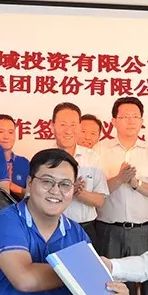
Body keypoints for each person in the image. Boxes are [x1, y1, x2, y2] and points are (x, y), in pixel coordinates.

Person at [0, 149, 129, 295]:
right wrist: (82, 272)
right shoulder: (6, 221)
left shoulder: (76, 233)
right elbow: (25, 279)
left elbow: (97, 294)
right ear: (30, 183)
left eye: (65, 184)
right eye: (47, 181)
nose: (55, 190)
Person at [94, 97, 148, 260]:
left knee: (142, 275)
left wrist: (137, 184)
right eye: (125, 117)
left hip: (142, 231)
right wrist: (119, 179)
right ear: (114, 121)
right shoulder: (99, 150)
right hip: (108, 230)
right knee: (107, 274)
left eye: (135, 116)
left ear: (141, 121)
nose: (131, 121)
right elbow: (93, 192)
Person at [52, 102, 108, 243]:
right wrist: (68, 190)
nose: (68, 130)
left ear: (79, 127)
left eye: (73, 125)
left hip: (85, 229)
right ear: (52, 126)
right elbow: (35, 200)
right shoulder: (44, 158)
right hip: (52, 228)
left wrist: (80, 193)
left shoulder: (92, 158)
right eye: (63, 124)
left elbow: (100, 201)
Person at [0, 114, 29, 200]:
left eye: (10, 132)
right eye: (0, 132)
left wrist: (11, 185)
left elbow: (33, 196)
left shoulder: (24, 163)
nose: (6, 137)